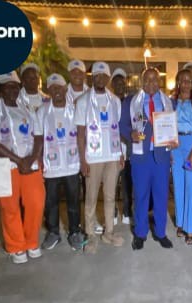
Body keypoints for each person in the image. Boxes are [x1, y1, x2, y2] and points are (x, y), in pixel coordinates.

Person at [0, 71, 45, 265]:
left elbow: (38, 136)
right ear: (0, 89)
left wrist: (31, 158)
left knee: (36, 203)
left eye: (15, 87)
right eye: (7, 86)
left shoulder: (28, 110)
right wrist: (18, 161)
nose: (12, 90)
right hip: (6, 166)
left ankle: (31, 242)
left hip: (30, 165)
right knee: (9, 207)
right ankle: (16, 246)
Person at [120, 67, 177, 250]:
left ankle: (160, 233)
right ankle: (140, 233)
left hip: (161, 157)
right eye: (147, 79)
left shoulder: (169, 102)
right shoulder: (130, 102)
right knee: (141, 196)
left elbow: (174, 126)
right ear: (141, 82)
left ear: (159, 81)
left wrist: (174, 139)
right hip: (140, 157)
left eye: (154, 79)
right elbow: (122, 125)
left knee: (161, 196)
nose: (151, 83)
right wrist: (130, 134)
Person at [75, 61, 126, 254]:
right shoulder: (83, 101)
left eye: (104, 75)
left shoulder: (115, 101)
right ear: (92, 77)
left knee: (110, 196)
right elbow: (80, 134)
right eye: (97, 75)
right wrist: (82, 160)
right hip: (93, 157)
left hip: (112, 156)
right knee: (90, 198)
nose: (100, 78)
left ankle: (109, 232)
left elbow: (116, 129)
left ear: (108, 78)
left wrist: (120, 153)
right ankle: (91, 235)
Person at [39, 74, 86, 253]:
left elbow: (82, 135)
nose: (57, 91)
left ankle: (74, 231)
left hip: (72, 165)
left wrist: (83, 159)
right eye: (53, 88)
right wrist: (39, 160)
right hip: (51, 166)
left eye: (59, 87)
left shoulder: (75, 110)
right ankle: (53, 232)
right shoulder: (42, 112)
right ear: (48, 90)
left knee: (73, 201)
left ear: (66, 89)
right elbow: (38, 138)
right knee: (51, 202)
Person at [171, 68, 192, 245]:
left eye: (189, 81)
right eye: (183, 80)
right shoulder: (172, 103)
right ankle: (180, 223)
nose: (185, 83)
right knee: (178, 185)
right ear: (178, 82)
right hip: (175, 145)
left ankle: (191, 228)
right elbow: (166, 125)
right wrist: (169, 147)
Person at [111, 68, 134, 229]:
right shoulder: (108, 101)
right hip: (111, 150)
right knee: (111, 183)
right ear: (112, 85)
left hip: (128, 149)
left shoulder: (131, 101)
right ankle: (112, 212)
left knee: (127, 183)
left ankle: (127, 211)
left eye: (122, 83)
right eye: (117, 83)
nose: (120, 86)